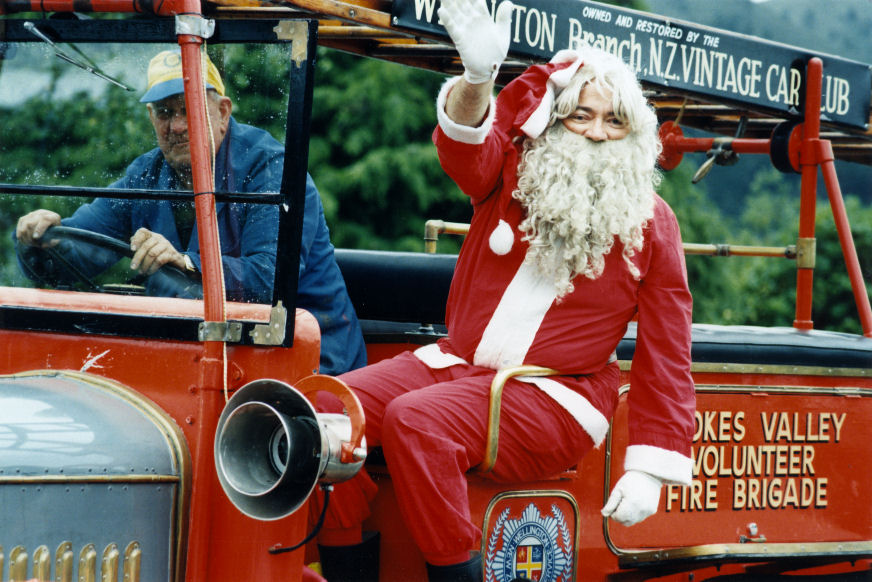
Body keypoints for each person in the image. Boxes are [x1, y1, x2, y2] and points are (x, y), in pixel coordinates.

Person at [310, 0, 696, 580]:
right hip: (459, 366)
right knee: (324, 411)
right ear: (555, 118)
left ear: (633, 133)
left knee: (418, 422)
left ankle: (454, 570)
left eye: (614, 121)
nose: (597, 133)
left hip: (558, 394)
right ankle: (347, 566)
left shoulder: (652, 222)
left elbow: (667, 352)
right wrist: (477, 78)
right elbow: (462, 148)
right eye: (581, 115)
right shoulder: (512, 172)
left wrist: (649, 468)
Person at [15, 49, 366, 376]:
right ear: (151, 118)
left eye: (189, 109)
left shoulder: (272, 171)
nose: (177, 126)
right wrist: (41, 240)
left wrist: (186, 263)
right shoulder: (145, 176)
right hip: (199, 358)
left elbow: (269, 281)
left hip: (303, 361)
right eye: (165, 113)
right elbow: (82, 249)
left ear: (223, 113)